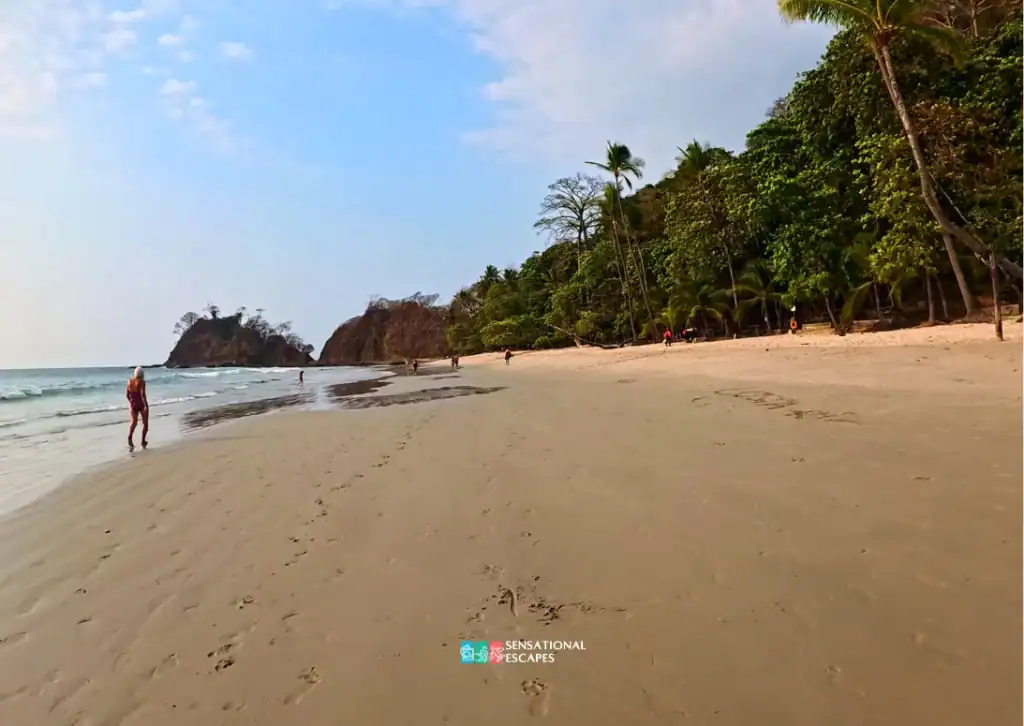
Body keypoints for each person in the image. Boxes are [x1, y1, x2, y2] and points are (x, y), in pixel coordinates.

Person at [126, 366, 149, 451]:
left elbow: (127, 395)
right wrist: (146, 405)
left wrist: (131, 402)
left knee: (134, 423)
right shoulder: (142, 382)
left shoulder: (129, 382)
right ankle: (143, 441)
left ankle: (130, 437)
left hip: (133, 405)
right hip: (141, 405)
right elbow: (143, 395)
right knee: (145, 424)